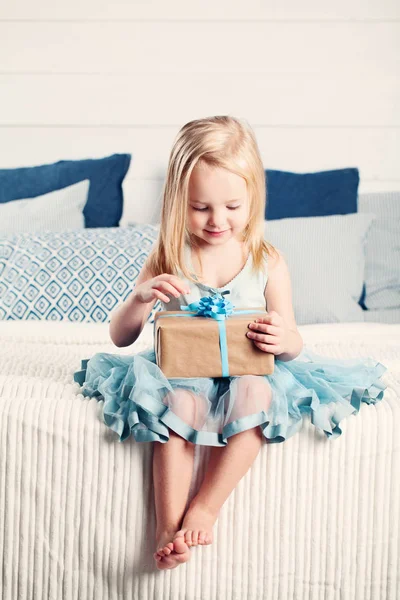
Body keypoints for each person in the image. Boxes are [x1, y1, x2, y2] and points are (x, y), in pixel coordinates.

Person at [73, 115, 387, 571]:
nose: (217, 220)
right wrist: (140, 299)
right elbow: (121, 336)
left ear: (253, 199)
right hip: (184, 371)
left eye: (232, 207)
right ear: (179, 199)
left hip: (248, 369)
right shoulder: (168, 254)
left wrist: (284, 340)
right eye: (200, 207)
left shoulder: (266, 260)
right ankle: (166, 528)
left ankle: (206, 506)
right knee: (178, 407)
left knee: (258, 397)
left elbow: (293, 338)